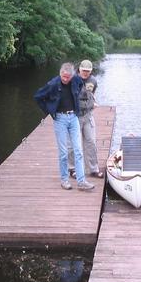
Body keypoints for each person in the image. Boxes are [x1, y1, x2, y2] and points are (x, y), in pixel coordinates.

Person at [34, 63, 95, 191]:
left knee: (78, 150)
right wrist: (49, 111)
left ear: (72, 75)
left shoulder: (76, 80)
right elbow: (38, 96)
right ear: (60, 73)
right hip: (60, 119)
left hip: (73, 118)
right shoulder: (53, 84)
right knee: (63, 153)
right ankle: (64, 180)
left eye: (68, 77)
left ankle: (81, 181)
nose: (65, 79)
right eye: (63, 77)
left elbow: (79, 87)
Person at [68, 60, 103, 179]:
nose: (85, 73)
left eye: (88, 71)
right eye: (83, 71)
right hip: (74, 117)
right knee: (74, 144)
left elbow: (91, 94)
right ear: (79, 69)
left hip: (88, 116)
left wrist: (93, 103)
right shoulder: (71, 80)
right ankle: (72, 169)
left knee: (91, 142)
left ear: (91, 71)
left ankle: (93, 169)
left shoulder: (93, 81)